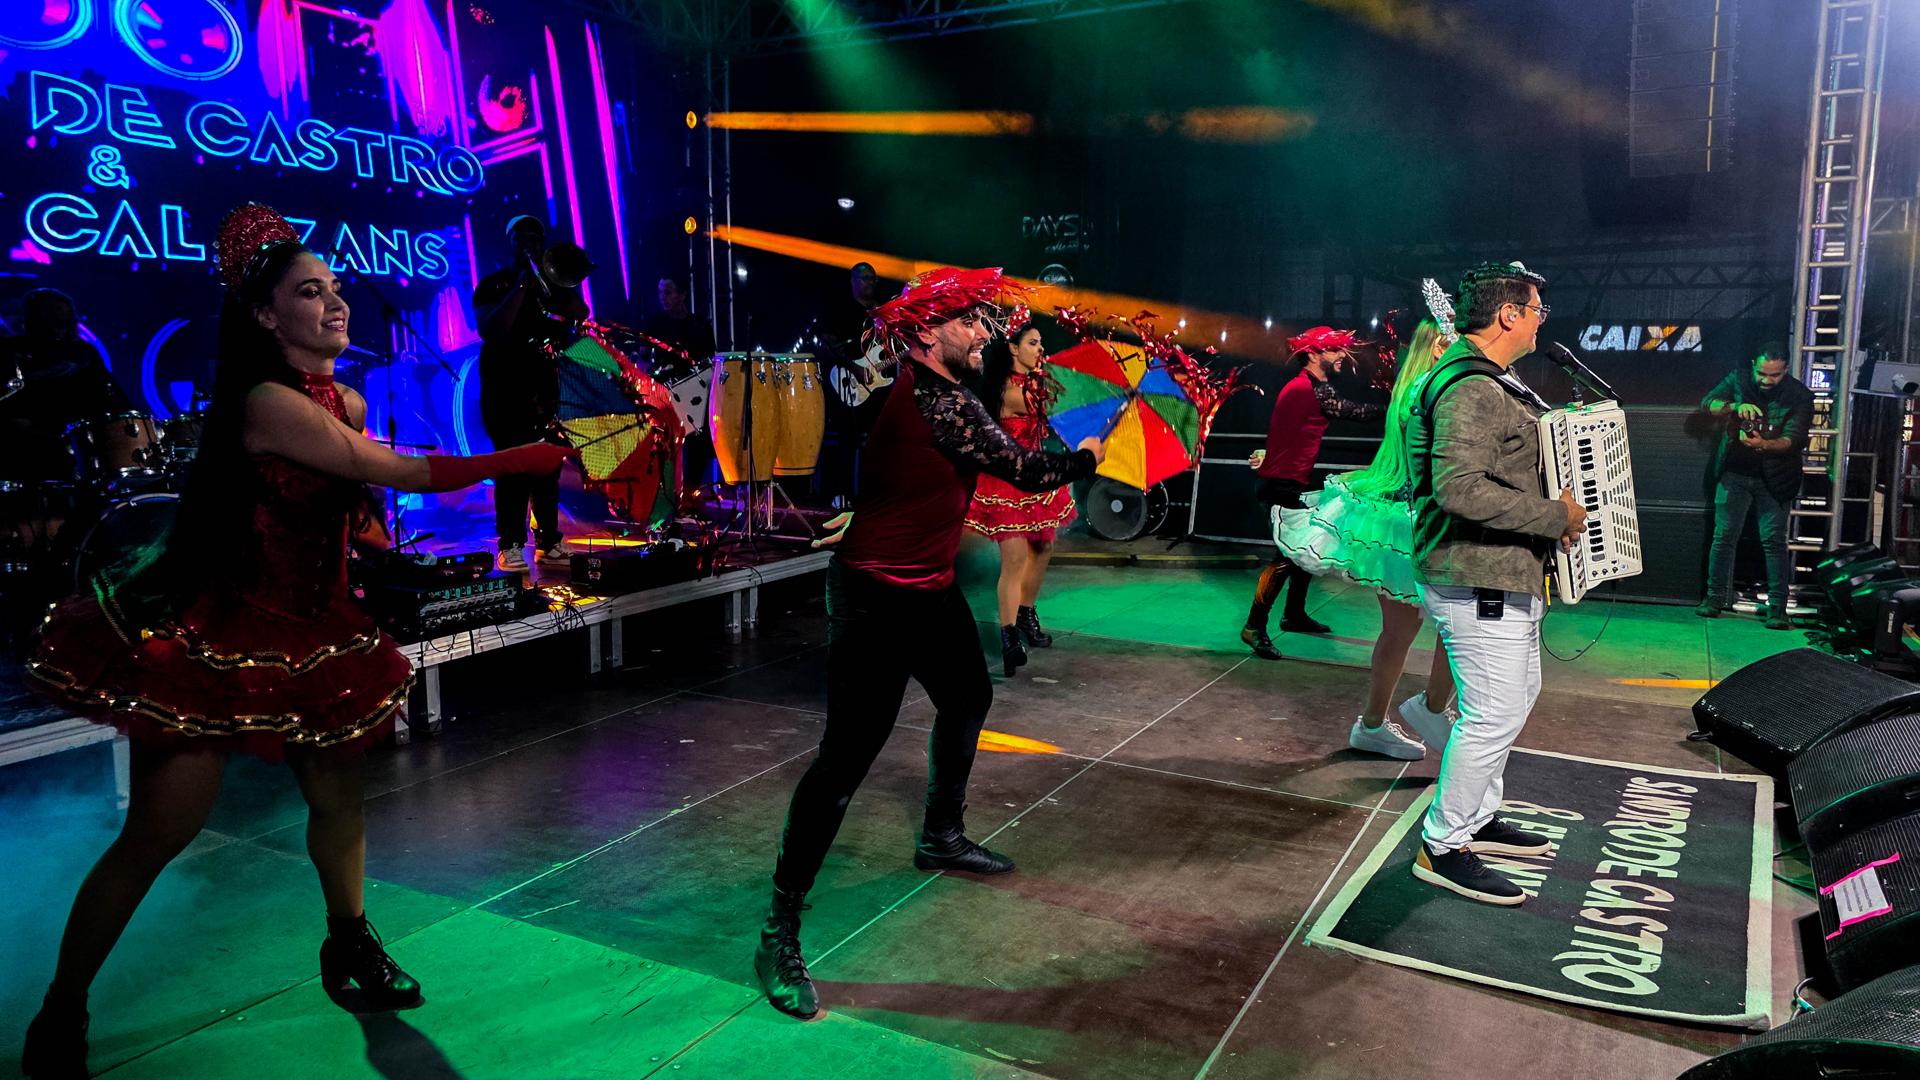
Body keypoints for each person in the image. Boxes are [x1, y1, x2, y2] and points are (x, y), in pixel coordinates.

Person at [18, 204, 575, 1080]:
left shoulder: (344, 399)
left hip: (317, 633)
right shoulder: (265, 402)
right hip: (224, 634)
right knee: (161, 831)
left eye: (334, 287)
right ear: (265, 316)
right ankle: (61, 1007)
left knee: (341, 805)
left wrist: (392, 559)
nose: (336, 302)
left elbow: (355, 511)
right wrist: (516, 460)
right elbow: (391, 469)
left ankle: (348, 944)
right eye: (310, 292)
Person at [752, 268, 1104, 1022]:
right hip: (875, 597)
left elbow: (930, 476)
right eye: (969, 321)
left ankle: (941, 834)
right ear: (923, 332)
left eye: (983, 320)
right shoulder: (939, 398)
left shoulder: (942, 393)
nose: (984, 333)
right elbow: (1025, 470)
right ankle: (779, 930)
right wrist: (1085, 458)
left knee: (968, 696)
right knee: (844, 763)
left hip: (928, 587)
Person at [1405, 261, 1586, 907]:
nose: (1541, 321)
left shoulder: (1485, 380)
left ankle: (1477, 818)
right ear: (1508, 314)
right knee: (1492, 714)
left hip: (1495, 574)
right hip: (1475, 575)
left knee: (1512, 699)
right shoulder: (1472, 387)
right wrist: (1554, 516)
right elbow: (1458, 489)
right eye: (1536, 309)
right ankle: (1443, 844)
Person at [1275, 314, 1458, 760]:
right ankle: (1432, 708)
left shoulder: (1410, 390)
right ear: (1440, 347)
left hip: (1398, 515)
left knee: (1402, 630)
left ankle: (1375, 724)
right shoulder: (1433, 391)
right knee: (1458, 623)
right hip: (1419, 520)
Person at [1241, 326, 1386, 659]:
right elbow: (1354, 411)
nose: (1341, 356)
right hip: (1279, 484)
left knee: (1307, 549)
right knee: (1287, 557)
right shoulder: (1308, 389)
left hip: (1290, 480)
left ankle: (1293, 614)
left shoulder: (1308, 387)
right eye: (1334, 350)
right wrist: (1397, 406)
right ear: (1313, 354)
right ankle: (1254, 625)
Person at [474, 215, 588, 573]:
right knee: (512, 467)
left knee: (548, 467)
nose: (530, 243)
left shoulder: (553, 285)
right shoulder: (493, 284)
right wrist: (522, 284)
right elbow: (491, 329)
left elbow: (577, 321)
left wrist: (567, 298)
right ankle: (510, 544)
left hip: (546, 387)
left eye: (536, 238)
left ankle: (549, 540)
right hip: (504, 389)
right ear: (510, 242)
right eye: (522, 237)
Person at [964, 317, 1078, 676]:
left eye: (1041, 342)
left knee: (1043, 547)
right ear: (1013, 348)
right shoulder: (1012, 392)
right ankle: (1009, 636)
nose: (1041, 348)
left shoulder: (1032, 385)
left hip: (1034, 478)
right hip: (1007, 482)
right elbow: (1058, 411)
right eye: (1033, 343)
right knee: (1014, 559)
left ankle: (1026, 613)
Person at [1696, 343, 1812, 630]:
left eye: (1774, 375)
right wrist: (1735, 407)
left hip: (1777, 478)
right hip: (1733, 472)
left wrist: (1763, 445)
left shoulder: (1799, 395)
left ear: (1786, 370)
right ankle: (1714, 598)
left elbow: (1794, 439)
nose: (1766, 380)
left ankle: (1778, 609)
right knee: (1724, 536)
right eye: (1762, 373)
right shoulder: (1739, 379)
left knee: (1773, 541)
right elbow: (1707, 404)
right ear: (1753, 365)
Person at [0, 288, 131, 482]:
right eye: (54, 322)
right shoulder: (9, 352)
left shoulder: (84, 352)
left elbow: (115, 399)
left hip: (83, 448)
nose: (61, 331)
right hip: (27, 453)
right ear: (32, 322)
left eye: (68, 323)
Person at [642, 274, 717, 374]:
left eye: (668, 292)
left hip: (696, 380)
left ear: (682, 295)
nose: (662, 297)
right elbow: (643, 357)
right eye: (660, 292)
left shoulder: (701, 325)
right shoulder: (654, 323)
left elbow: (711, 360)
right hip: (663, 381)